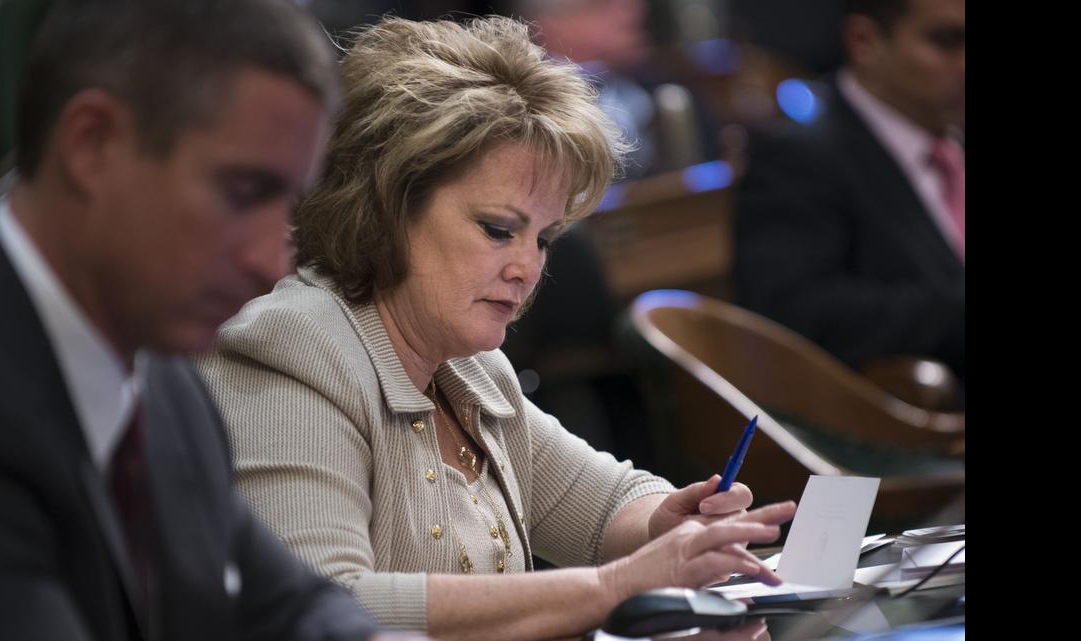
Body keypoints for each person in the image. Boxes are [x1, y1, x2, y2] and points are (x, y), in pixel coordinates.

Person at [197, 16, 796, 641]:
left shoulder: (469, 368)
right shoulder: (295, 346)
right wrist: (613, 589)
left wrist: (666, 527)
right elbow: (322, 607)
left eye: (544, 238)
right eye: (498, 230)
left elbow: (608, 505)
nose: (527, 269)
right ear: (387, 206)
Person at [0, 2, 417, 639]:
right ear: (92, 144)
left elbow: (291, 605)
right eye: (243, 192)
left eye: (287, 204)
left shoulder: (167, 384)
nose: (272, 263)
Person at [734, 0, 965, 384]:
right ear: (865, 41)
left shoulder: (953, 136)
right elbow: (794, 316)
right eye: (946, 41)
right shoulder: (799, 161)